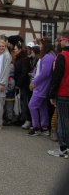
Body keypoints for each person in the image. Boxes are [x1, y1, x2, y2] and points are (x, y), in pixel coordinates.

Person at [28, 38, 56, 136]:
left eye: (40, 44)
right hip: (43, 85)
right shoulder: (49, 55)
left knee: (32, 105)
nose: (39, 46)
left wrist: (34, 82)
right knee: (42, 106)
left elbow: (45, 72)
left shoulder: (48, 57)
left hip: (42, 86)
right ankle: (44, 127)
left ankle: (36, 127)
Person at [48, 29, 69, 158]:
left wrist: (52, 95)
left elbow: (57, 77)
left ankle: (64, 148)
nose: (59, 42)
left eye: (61, 40)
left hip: (63, 93)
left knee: (63, 121)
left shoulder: (62, 56)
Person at [12, 41, 31, 128]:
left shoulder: (24, 59)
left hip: (23, 84)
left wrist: (18, 84)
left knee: (24, 102)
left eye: (15, 49)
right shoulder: (19, 58)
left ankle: (23, 118)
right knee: (21, 102)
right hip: (20, 83)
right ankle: (21, 117)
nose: (14, 50)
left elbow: (24, 73)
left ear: (20, 49)